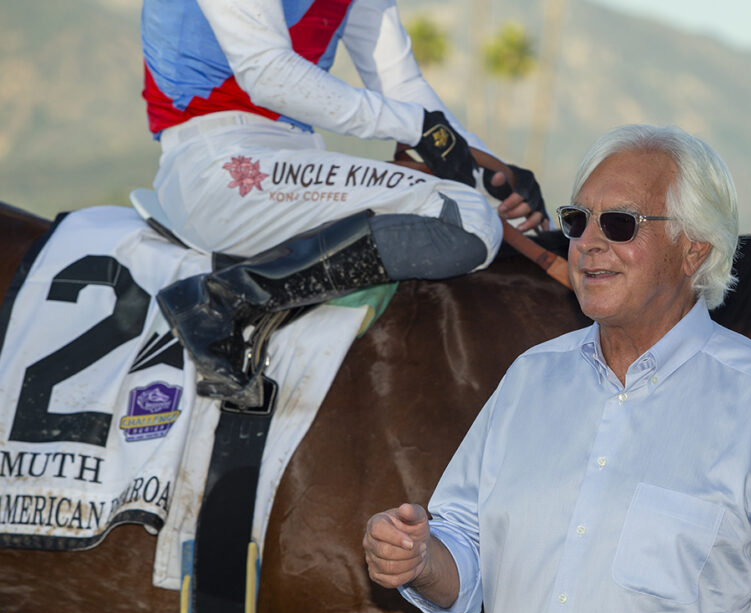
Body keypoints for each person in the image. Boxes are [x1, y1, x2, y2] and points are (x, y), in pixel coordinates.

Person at [364, 124, 751, 613]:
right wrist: (420, 557)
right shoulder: (529, 380)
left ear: (693, 248)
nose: (588, 243)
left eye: (620, 224)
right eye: (577, 221)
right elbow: (465, 553)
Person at [140, 0, 546, 407]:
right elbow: (266, 72)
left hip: (294, 160)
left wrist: (494, 177)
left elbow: (402, 87)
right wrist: (414, 127)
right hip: (214, 162)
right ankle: (219, 301)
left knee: (473, 209)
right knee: (468, 222)